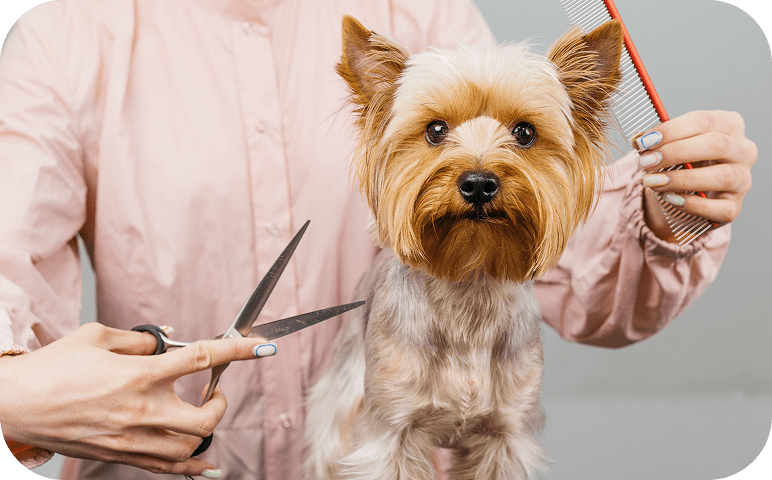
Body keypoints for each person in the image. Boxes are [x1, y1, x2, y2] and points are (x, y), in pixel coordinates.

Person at [0, 0, 756, 479]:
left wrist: (667, 214)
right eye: (436, 132)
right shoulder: (65, 39)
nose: (480, 168)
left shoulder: (424, 13)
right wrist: (8, 387)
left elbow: (570, 280)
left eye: (517, 134)